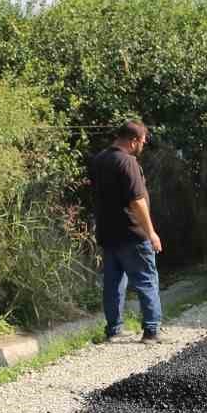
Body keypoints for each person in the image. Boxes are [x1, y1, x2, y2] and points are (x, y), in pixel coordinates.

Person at [88, 120, 165, 343]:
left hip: (108, 233)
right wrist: (151, 232)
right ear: (133, 141)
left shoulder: (99, 160)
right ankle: (151, 330)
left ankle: (114, 330)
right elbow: (137, 201)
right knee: (146, 280)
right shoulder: (127, 162)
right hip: (132, 233)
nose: (142, 145)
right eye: (142, 141)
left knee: (113, 285)